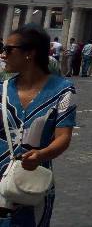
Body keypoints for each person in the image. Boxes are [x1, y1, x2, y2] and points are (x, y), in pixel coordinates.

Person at [0, 25, 76, 226]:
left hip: (32, 183)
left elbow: (63, 137)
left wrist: (41, 155)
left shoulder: (63, 90)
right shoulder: (1, 89)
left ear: (29, 54)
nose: (3, 54)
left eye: (8, 49)